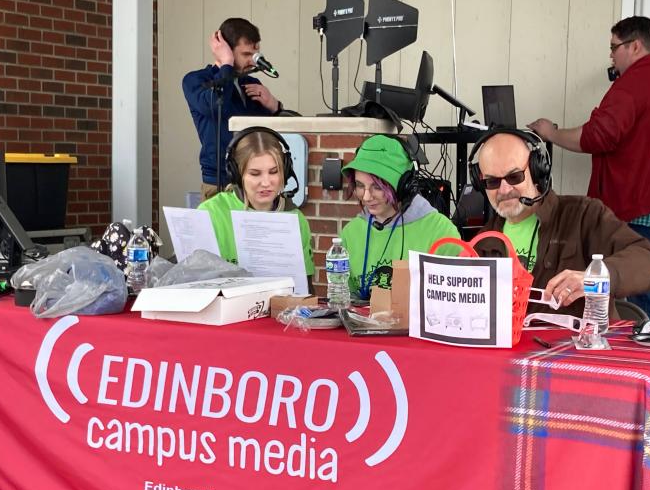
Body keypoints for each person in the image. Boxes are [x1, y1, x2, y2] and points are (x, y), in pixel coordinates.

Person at [528, 16, 650, 323]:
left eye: (614, 47)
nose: (611, 56)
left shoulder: (636, 82)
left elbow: (597, 136)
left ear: (635, 46)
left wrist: (551, 133)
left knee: (648, 281)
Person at [473, 129, 650, 321]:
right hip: (508, 350)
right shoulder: (482, 243)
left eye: (514, 177)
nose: (504, 190)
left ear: (537, 169)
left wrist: (595, 279)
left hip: (579, 348)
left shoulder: (583, 214)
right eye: (492, 182)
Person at [340, 135, 461, 300]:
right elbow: (342, 300)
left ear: (405, 186)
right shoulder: (350, 233)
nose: (367, 197)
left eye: (377, 187)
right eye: (360, 186)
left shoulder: (441, 232)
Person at [197, 127, 314, 291]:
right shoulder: (210, 213)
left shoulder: (296, 218)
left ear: (285, 172)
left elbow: (305, 291)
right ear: (237, 174)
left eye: (273, 172)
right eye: (255, 173)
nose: (266, 182)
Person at [183, 18, 285, 200]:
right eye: (246, 54)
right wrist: (227, 63)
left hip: (253, 181)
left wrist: (274, 106)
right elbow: (214, 105)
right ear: (226, 49)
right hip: (218, 180)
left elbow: (269, 133)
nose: (252, 62)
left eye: (254, 55)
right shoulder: (196, 81)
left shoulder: (252, 84)